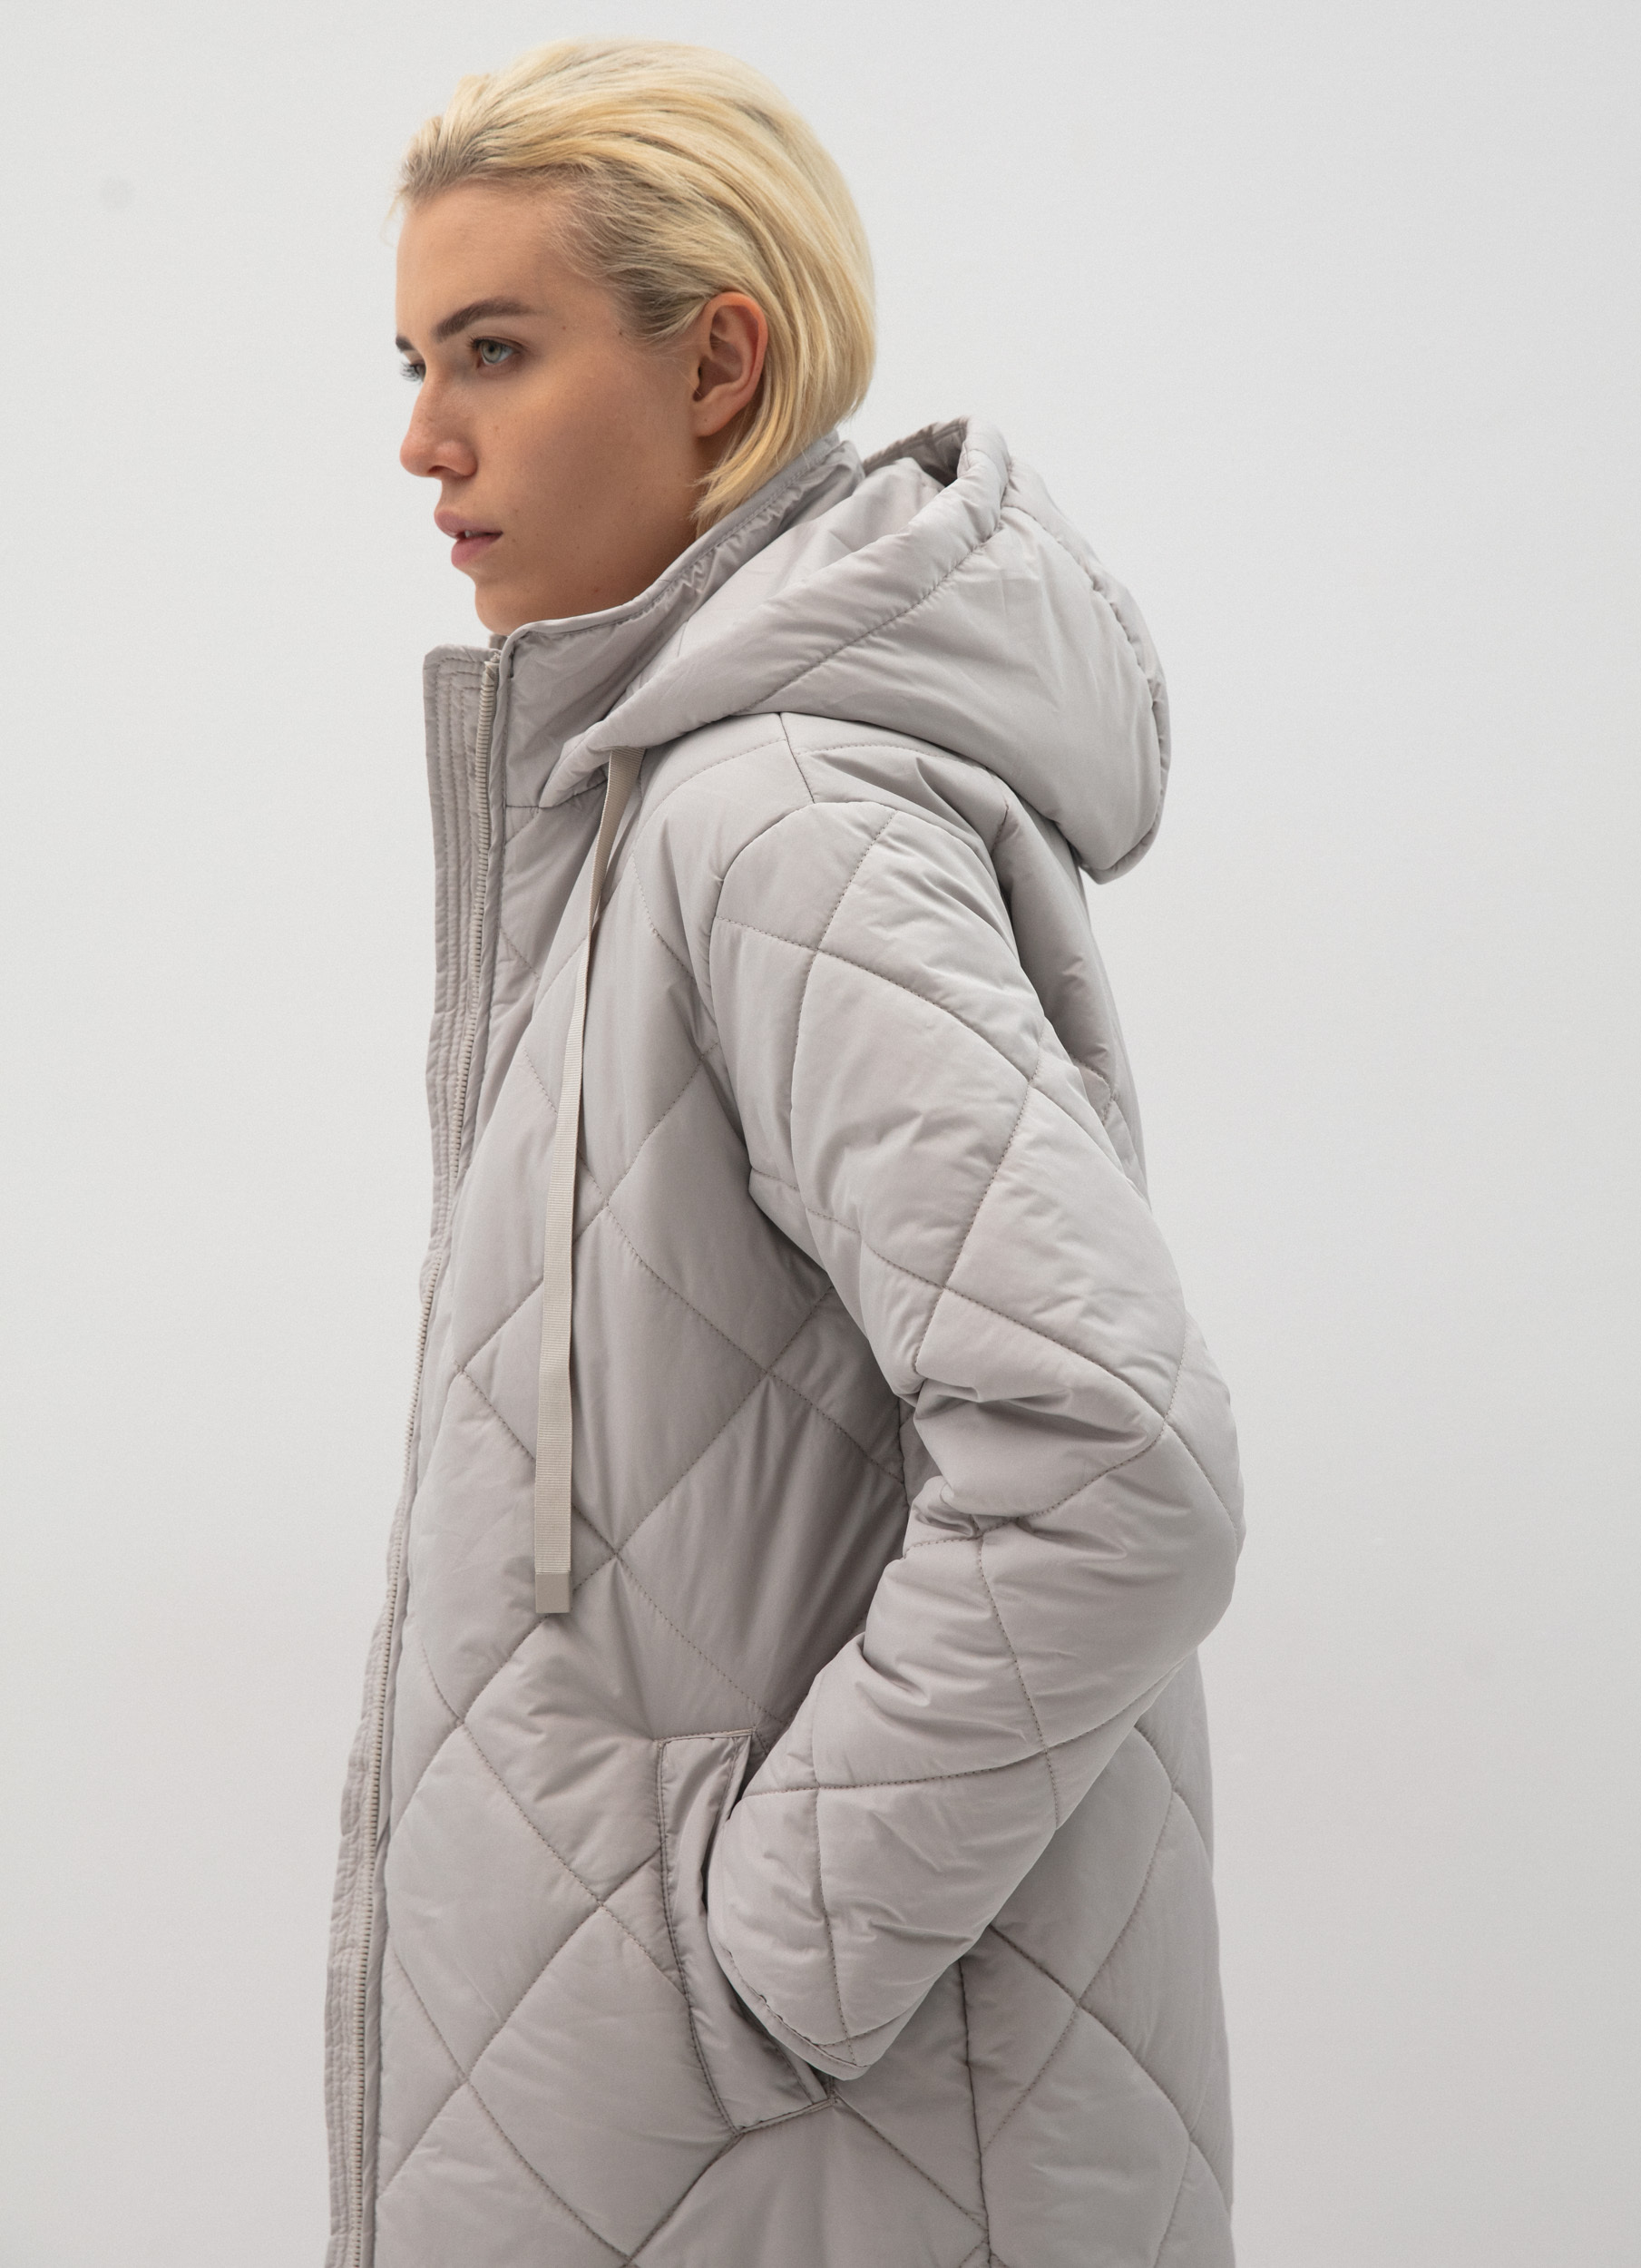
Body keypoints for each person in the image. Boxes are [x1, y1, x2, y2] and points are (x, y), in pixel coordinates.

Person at [324, 37, 1245, 2268]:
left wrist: (759, 1964)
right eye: (417, 362)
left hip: (803, 2152)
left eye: (495, 352)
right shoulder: (659, 812)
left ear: (718, 365)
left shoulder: (780, 816)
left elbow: (1111, 1460)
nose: (425, 437)